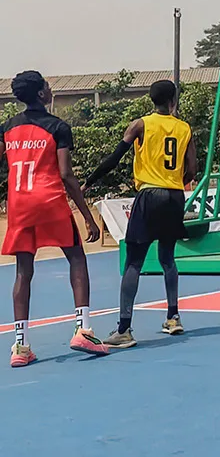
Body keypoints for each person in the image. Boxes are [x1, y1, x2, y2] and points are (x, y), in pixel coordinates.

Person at [6, 71, 108, 366]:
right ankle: (83, 329)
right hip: (49, 201)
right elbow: (65, 174)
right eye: (47, 86)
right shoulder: (58, 127)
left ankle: (20, 347)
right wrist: (88, 216)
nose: (51, 89)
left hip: (20, 205)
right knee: (77, 258)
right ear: (41, 94)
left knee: (23, 272)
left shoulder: (7, 128)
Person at [84, 79, 196, 348]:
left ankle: (124, 328)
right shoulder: (184, 129)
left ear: (151, 100)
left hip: (149, 195)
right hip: (174, 195)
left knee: (134, 262)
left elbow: (115, 157)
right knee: (168, 258)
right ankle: (173, 317)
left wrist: (89, 180)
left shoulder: (140, 125)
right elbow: (191, 169)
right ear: (174, 101)